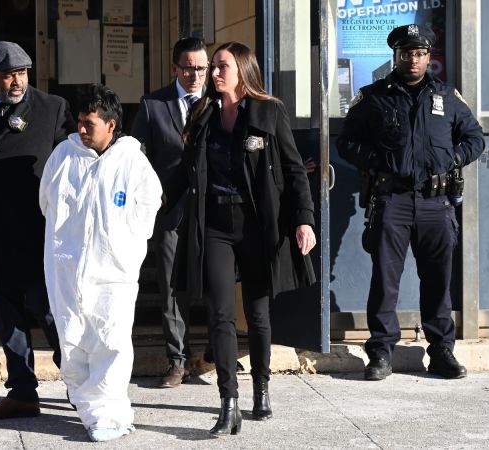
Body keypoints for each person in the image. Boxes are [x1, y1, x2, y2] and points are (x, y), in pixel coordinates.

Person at [168, 41, 317, 436]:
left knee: (257, 312)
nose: (214, 74)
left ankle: (261, 390)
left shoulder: (269, 111)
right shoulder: (204, 113)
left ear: (243, 71)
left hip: (257, 224)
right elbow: (185, 170)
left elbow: (294, 171)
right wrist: (154, 201)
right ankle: (228, 402)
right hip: (215, 223)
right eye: (214, 67)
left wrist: (304, 221)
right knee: (219, 312)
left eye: (222, 67)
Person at [336, 24, 485, 381]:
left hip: (436, 203)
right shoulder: (374, 97)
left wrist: (452, 159)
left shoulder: (446, 96)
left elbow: (475, 138)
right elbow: (347, 142)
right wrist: (379, 161)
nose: (413, 60)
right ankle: (381, 353)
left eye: (419, 54)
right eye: (406, 54)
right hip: (392, 201)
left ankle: (441, 351)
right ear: (396, 56)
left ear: (428, 57)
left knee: (437, 281)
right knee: (385, 281)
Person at [0, 41, 74, 419]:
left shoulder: (52, 108)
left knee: (50, 312)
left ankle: (80, 386)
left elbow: (73, 166)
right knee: (7, 314)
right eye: (8, 75)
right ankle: (22, 392)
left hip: (36, 229)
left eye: (22, 73)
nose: (17, 81)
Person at [39, 84, 162, 442]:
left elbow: (150, 203)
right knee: (72, 340)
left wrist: (125, 241)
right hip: (67, 268)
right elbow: (46, 201)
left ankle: (107, 414)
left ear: (111, 125)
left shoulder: (131, 160)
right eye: (79, 122)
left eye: (88, 124)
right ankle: (92, 409)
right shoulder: (64, 155)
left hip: (114, 271)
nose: (81, 129)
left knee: (111, 340)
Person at [131, 36, 208, 388]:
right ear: (175, 68)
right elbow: (136, 157)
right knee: (171, 286)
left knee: (217, 282)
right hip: (169, 210)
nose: (195, 75)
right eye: (189, 68)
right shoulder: (153, 105)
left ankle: (217, 353)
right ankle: (177, 360)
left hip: (211, 209)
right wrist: (151, 195)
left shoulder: (218, 100)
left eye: (201, 68)